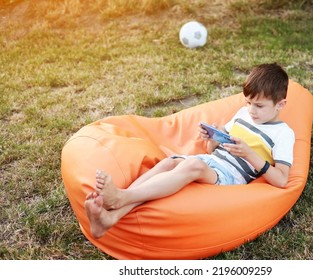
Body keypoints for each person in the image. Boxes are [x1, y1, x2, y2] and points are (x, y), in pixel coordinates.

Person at [85, 63, 295, 239]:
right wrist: (211, 138)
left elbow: (281, 180)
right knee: (169, 162)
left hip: (232, 176)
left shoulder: (283, 134)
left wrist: (249, 153)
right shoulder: (242, 114)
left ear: (280, 104)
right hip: (212, 161)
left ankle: (121, 198)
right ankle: (111, 216)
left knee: (193, 164)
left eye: (258, 106)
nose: (251, 110)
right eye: (248, 102)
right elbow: (213, 149)